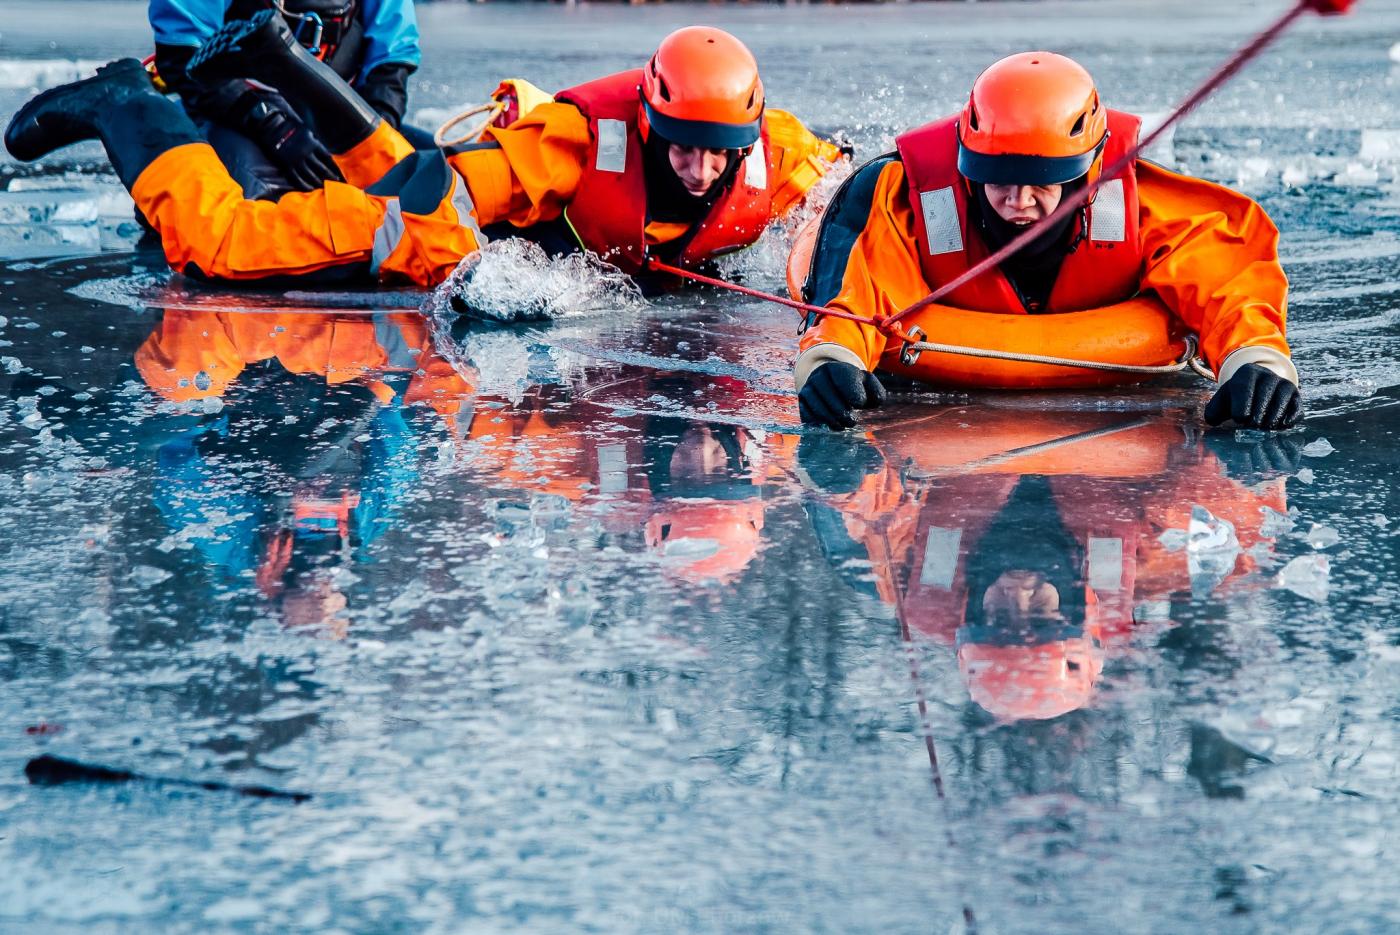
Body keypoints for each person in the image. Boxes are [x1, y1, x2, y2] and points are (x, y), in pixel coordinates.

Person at [6, 17, 843, 291]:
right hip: (464, 226)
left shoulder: (781, 151)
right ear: (652, 122)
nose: (699, 170)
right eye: (682, 150)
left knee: (401, 163)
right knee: (225, 249)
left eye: (717, 154)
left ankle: (282, 65)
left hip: (442, 186)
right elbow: (436, 195)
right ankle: (128, 107)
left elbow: (851, 192)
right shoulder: (577, 144)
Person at [794, 52, 1302, 432]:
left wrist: (1254, 361)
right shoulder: (908, 201)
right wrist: (831, 359)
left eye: (1042, 181)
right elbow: (861, 285)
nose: (1018, 201)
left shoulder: (1138, 201)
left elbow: (1223, 277)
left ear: (1086, 176)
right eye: (999, 179)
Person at [797, 407, 1296, 721]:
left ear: (971, 617)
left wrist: (844, 469)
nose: (1017, 595)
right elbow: (1237, 503)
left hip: (960, 402)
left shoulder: (913, 575)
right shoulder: (1149, 568)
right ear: (1080, 611)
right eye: (1038, 614)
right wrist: (1246, 413)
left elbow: (877, 513)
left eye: (1000, 617)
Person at [149, 0, 426, 199]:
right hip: (238, 112)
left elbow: (390, 65)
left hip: (340, 111)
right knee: (261, 198)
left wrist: (370, 138)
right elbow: (182, 59)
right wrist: (278, 130)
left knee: (430, 174)